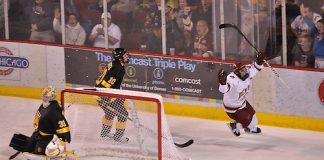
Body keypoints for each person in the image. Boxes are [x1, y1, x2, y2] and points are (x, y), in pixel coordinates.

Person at [9, 86, 71, 157]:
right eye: (43, 96)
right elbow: (38, 116)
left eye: (47, 97)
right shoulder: (44, 105)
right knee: (27, 148)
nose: (44, 98)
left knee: (38, 153)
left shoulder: (54, 110)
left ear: (52, 97)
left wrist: (62, 143)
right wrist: (36, 128)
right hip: (38, 134)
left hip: (47, 138)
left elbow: (63, 127)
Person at [217, 52, 265, 136]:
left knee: (255, 120)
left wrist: (259, 61)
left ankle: (248, 128)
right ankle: (235, 125)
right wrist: (223, 83)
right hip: (233, 108)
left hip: (242, 102)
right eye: (243, 70)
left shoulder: (247, 72)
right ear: (237, 72)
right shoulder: (231, 79)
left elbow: (256, 68)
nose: (246, 71)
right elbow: (223, 90)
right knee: (251, 123)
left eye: (245, 69)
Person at [95, 48, 130, 142]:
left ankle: (104, 134)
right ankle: (118, 137)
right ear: (119, 57)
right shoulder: (117, 68)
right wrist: (104, 98)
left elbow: (110, 82)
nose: (127, 56)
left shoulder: (116, 64)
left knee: (110, 114)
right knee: (123, 114)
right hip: (106, 97)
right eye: (125, 55)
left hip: (106, 95)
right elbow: (105, 84)